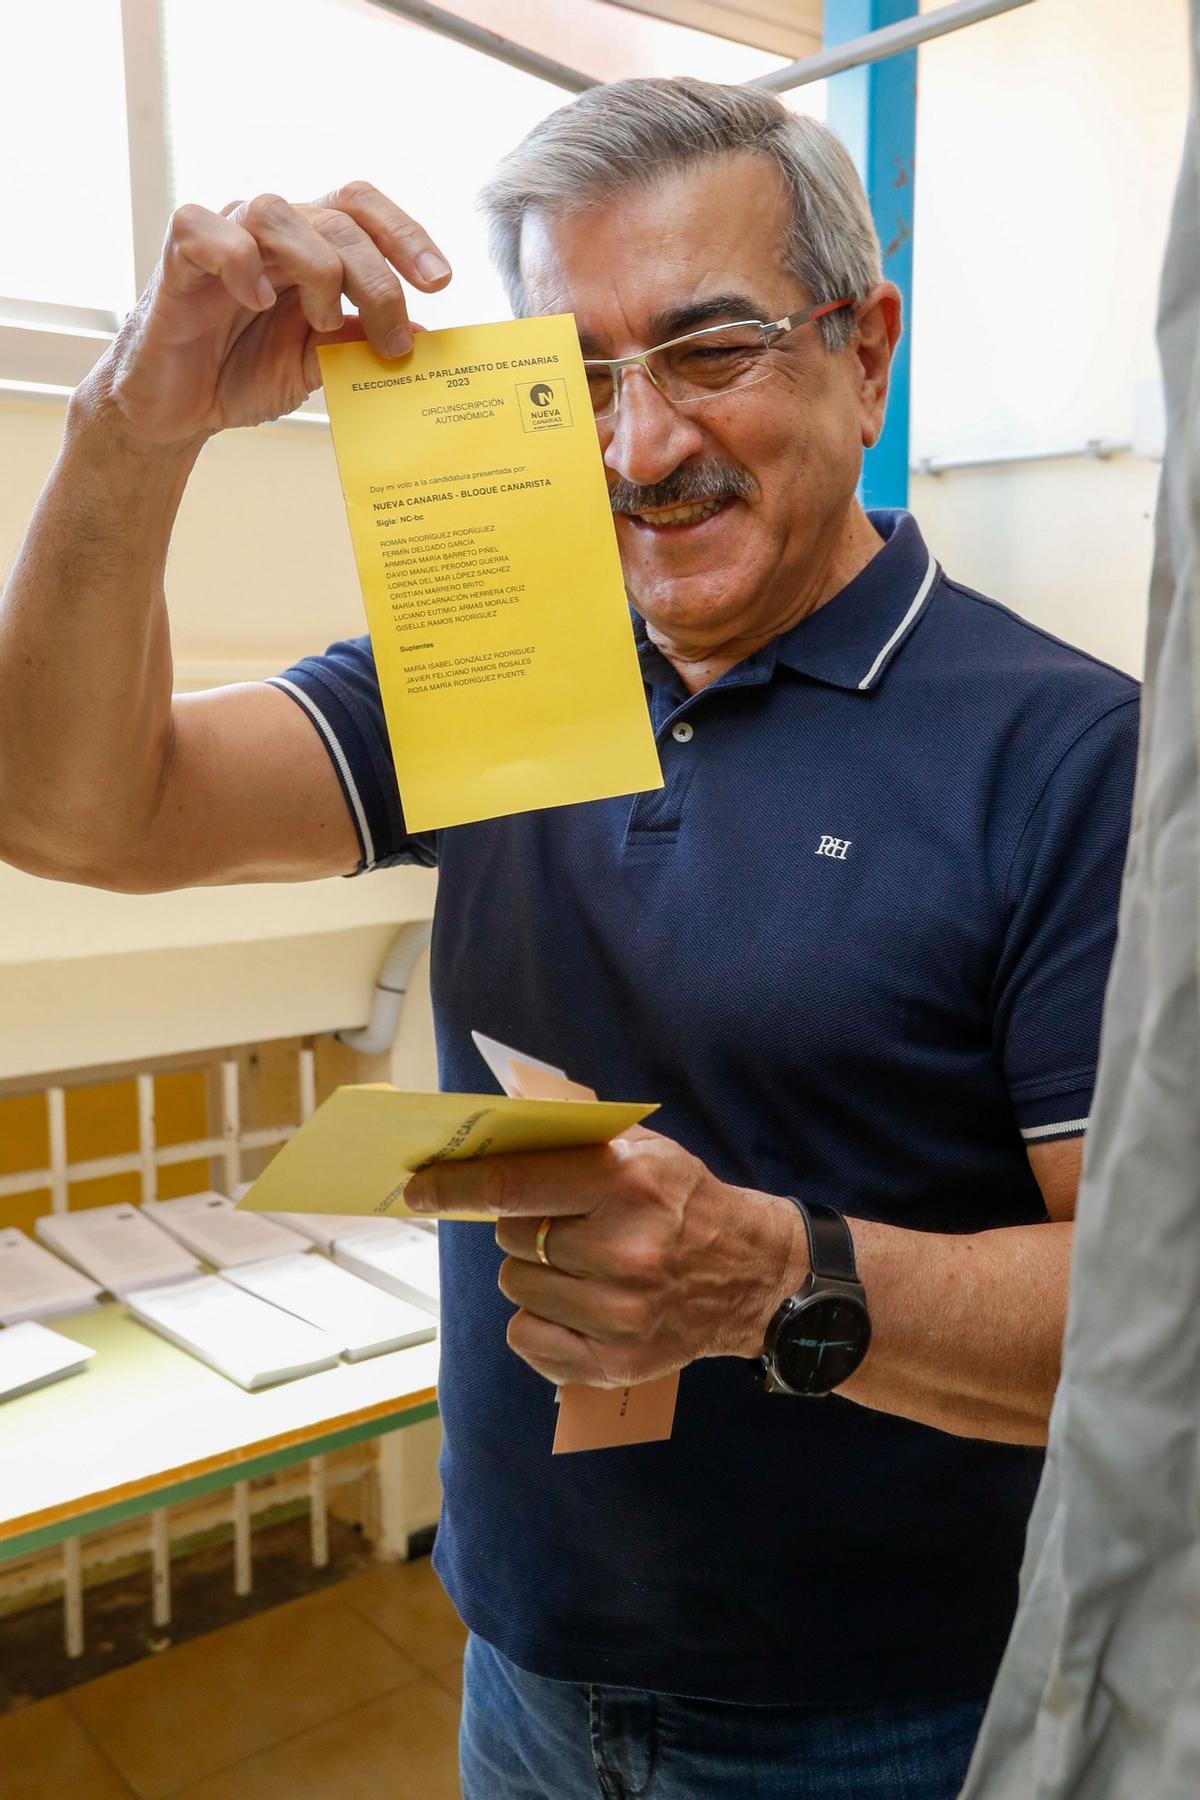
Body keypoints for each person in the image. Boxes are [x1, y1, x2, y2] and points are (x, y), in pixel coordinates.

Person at [0, 76, 1138, 1800]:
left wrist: (772, 1279)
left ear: (867, 351)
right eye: (573, 379)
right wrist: (129, 427)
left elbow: (1154, 1320)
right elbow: (78, 810)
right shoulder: (500, 668)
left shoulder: (1065, 756)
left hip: (890, 1719)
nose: (637, 449)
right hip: (524, 1672)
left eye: (712, 349)